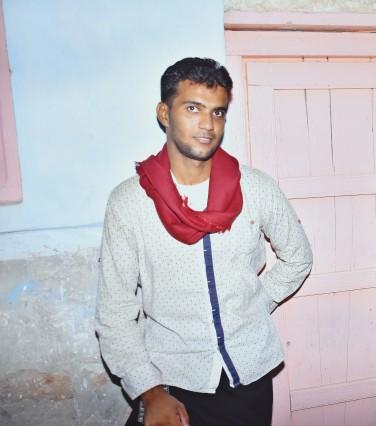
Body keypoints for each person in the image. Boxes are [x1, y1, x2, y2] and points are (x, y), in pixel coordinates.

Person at [95, 57, 312, 426]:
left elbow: (298, 257)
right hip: (172, 382)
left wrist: (254, 304)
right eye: (193, 108)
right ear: (164, 113)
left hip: (249, 375)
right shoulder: (129, 203)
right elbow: (114, 313)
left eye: (218, 112)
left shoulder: (255, 187)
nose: (208, 124)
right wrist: (150, 391)